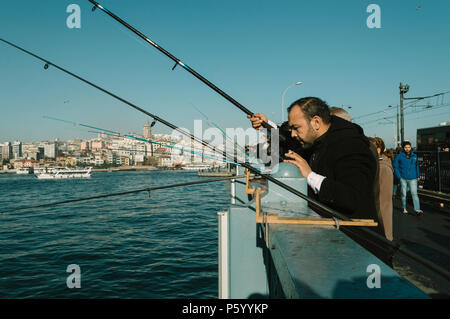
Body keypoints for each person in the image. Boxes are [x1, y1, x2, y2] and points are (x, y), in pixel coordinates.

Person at [249, 97, 378, 223]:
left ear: (316, 122)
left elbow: (352, 198)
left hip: (355, 239)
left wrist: (310, 176)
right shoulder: (315, 140)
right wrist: (265, 126)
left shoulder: (352, 146)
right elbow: (288, 140)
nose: (293, 134)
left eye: (296, 128)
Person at [369, 137, 394, 241]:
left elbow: (383, 201)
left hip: (380, 217)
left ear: (378, 150)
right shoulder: (378, 165)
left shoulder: (383, 167)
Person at [393, 141, 423, 215]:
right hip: (403, 178)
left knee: (414, 193)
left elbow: (417, 166)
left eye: (409, 147)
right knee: (403, 194)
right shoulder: (399, 156)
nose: (407, 149)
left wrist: (418, 175)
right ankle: (404, 207)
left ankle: (417, 209)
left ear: (411, 147)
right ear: (403, 148)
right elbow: (395, 167)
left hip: (413, 178)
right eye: (406, 147)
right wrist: (399, 176)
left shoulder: (414, 156)